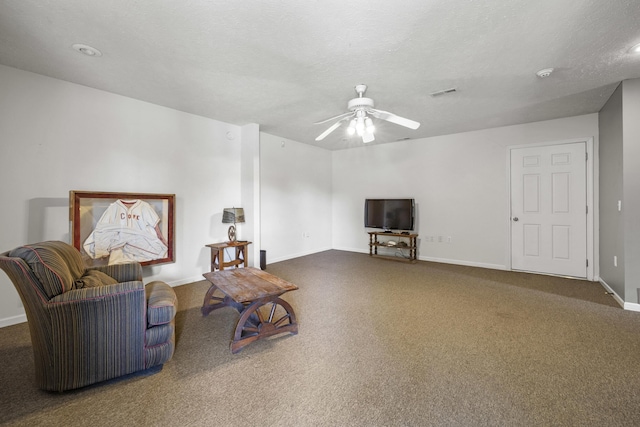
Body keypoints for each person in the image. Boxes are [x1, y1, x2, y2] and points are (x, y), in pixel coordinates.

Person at [83, 199, 168, 264]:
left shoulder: (144, 206)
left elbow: (156, 229)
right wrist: (102, 249)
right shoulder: (114, 207)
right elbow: (102, 229)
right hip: (119, 254)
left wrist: (161, 239)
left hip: (141, 252)